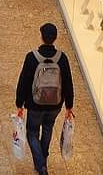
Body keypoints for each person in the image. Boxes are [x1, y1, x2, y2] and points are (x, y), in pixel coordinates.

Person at [15, 23, 74, 175]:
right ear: (55, 38)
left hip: (35, 104)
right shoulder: (62, 58)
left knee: (32, 132)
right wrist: (69, 106)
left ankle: (41, 165)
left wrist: (19, 104)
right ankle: (43, 163)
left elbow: (24, 81)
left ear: (41, 37)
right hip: (55, 104)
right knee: (47, 129)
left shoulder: (32, 57)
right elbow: (68, 82)